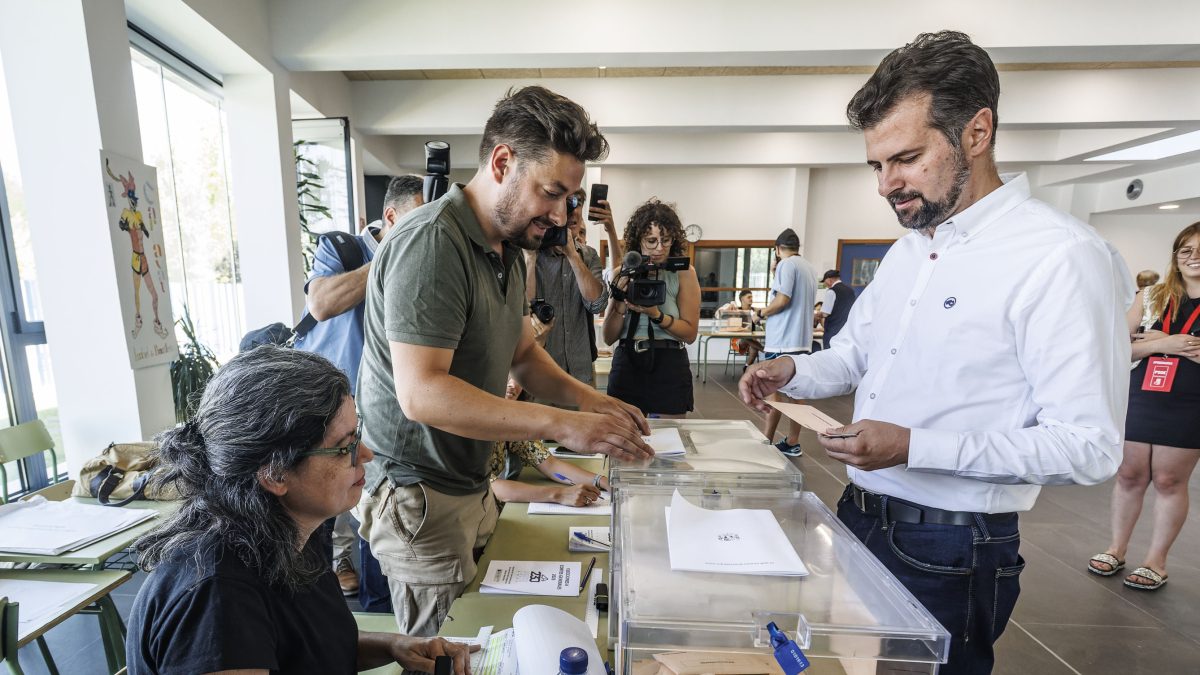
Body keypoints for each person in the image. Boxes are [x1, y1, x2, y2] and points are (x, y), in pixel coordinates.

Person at [738, 31, 1132, 675]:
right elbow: (856, 357)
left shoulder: (1060, 256)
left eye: (907, 158)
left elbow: (1089, 446)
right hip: (858, 515)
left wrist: (913, 446)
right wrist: (792, 369)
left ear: (977, 132)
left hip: (952, 544)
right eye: (876, 165)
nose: (886, 183)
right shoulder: (910, 249)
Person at [354, 85, 653, 637]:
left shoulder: (508, 250)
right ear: (501, 163)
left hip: (470, 483)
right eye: (552, 193)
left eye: (570, 199)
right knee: (444, 650)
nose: (561, 214)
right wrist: (564, 422)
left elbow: (522, 355)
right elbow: (421, 394)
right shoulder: (432, 243)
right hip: (421, 493)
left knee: (487, 634)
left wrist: (597, 402)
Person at [127, 347, 475, 675]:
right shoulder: (217, 599)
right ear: (276, 474)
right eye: (344, 447)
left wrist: (395, 645)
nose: (366, 454)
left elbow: (303, 649)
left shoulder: (285, 527)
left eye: (358, 436)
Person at [296, 173, 424, 601]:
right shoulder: (341, 248)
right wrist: (390, 256)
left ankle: (371, 595)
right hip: (330, 401)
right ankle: (323, 581)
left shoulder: (426, 260)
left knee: (372, 495)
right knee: (320, 500)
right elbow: (321, 303)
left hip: (385, 403)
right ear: (391, 218)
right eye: (416, 222)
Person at [1089, 223, 1200, 590]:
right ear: (1176, 257)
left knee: (1170, 480)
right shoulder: (1153, 296)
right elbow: (1117, 348)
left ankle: (1157, 561)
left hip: (1189, 402)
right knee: (1129, 476)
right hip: (1142, 396)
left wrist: (1164, 340)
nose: (1193, 257)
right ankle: (1116, 549)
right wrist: (1165, 344)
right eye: (1186, 250)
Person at [601, 198, 701, 417]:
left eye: (665, 240)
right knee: (621, 437)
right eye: (651, 240)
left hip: (669, 363)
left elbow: (691, 334)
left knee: (671, 440)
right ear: (639, 240)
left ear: (674, 238)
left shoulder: (684, 273)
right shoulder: (622, 273)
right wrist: (620, 299)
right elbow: (608, 337)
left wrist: (655, 314)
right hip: (628, 360)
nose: (659, 248)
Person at [524, 190, 607, 389]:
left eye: (578, 204)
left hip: (581, 374)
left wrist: (572, 254)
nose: (575, 211)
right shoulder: (526, 253)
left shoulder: (588, 255)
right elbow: (523, 312)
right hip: (540, 376)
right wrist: (530, 258)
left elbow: (597, 304)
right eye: (567, 203)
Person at [489, 379, 611, 506]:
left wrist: (602, 481)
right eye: (507, 376)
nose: (513, 385)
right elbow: (490, 485)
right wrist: (559, 494)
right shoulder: (471, 423)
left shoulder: (514, 419)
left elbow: (549, 464)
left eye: (517, 379)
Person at [758, 228, 819, 457]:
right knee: (796, 393)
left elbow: (782, 300)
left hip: (782, 341)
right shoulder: (809, 268)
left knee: (772, 393)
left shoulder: (786, 265)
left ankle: (765, 442)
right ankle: (793, 441)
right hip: (801, 341)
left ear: (777, 249)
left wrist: (760, 314)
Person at [720, 290, 763, 366]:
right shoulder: (736, 310)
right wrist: (729, 307)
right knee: (745, 338)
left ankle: (746, 367)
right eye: (749, 297)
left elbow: (764, 317)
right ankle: (764, 349)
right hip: (738, 339)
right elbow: (720, 315)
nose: (751, 299)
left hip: (752, 338)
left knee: (754, 349)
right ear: (742, 299)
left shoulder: (755, 311)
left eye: (752, 297)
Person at [816, 269, 856, 350]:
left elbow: (825, 313)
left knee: (830, 355)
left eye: (824, 282)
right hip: (847, 329)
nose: (825, 284)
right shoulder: (850, 290)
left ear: (829, 280)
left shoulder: (831, 291)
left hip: (833, 330)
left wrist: (817, 313)